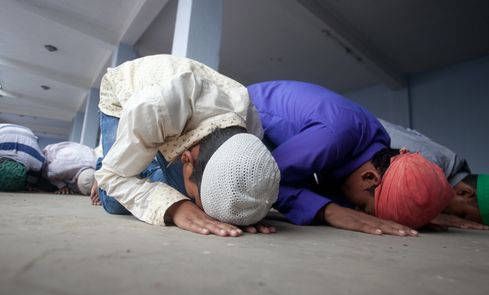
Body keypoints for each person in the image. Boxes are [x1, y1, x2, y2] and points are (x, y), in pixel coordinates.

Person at [247, 80, 468, 237]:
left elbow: (338, 187)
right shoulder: (332, 137)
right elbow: (261, 177)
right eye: (363, 206)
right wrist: (328, 210)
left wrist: (412, 213)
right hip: (243, 113)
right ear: (370, 176)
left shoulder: (376, 142)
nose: (358, 210)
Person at [95, 54, 280, 237]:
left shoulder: (251, 132)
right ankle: (107, 159)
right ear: (186, 158)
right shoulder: (155, 108)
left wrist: (241, 210)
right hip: (124, 92)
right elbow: (112, 178)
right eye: (196, 199)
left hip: (176, 114)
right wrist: (175, 206)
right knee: (114, 201)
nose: (203, 211)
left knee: (174, 186)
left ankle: (134, 158)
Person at [379, 119, 489, 227]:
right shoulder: (425, 165)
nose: (456, 218)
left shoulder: (448, 162)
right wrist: (427, 216)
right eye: (462, 215)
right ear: (465, 192)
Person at [0, 123, 45, 192]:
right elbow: (34, 177)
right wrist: (31, 185)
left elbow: (35, 175)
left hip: (27, 134)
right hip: (10, 130)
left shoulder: (37, 162)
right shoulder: (37, 162)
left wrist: (30, 185)